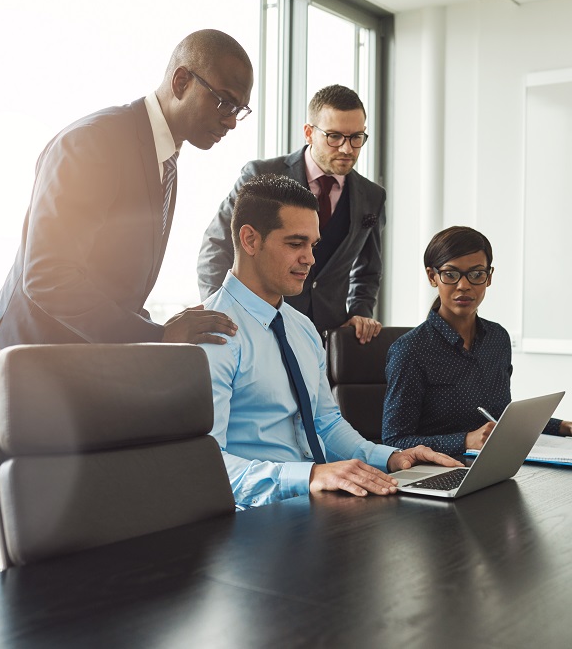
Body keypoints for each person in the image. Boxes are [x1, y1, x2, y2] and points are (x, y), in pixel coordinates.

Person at [0, 29, 253, 394]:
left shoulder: (164, 156)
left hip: (82, 360)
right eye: (223, 103)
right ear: (181, 80)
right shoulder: (93, 142)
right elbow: (48, 275)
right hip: (32, 363)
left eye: (239, 111)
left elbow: (112, 280)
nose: (231, 121)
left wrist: (163, 329)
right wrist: (158, 335)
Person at [200, 174, 461, 509]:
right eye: (295, 244)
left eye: (313, 245)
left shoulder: (303, 329)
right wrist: (308, 476)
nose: (310, 259)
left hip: (320, 506)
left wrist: (393, 458)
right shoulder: (213, 334)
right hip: (256, 518)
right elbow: (207, 464)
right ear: (250, 240)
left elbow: (327, 424)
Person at [198, 84, 385, 344]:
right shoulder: (260, 175)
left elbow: (367, 272)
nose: (346, 149)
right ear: (309, 133)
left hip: (330, 338)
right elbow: (216, 245)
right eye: (334, 136)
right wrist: (221, 314)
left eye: (356, 137)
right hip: (258, 328)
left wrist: (359, 314)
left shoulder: (372, 196)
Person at [382, 226, 572, 455]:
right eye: (450, 274)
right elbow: (394, 440)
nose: (464, 285)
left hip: (493, 463)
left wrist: (561, 426)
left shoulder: (498, 338)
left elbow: (499, 414)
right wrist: (465, 441)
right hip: (434, 471)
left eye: (476, 274)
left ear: (489, 277)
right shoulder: (410, 350)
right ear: (433, 277)